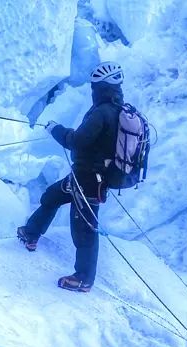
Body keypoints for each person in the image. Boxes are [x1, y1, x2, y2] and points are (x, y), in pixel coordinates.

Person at [17, 61, 125, 293]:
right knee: (52, 196)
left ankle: (84, 278)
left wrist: (55, 129)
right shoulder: (118, 110)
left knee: (84, 227)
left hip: (89, 181)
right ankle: (31, 233)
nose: (93, 91)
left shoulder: (102, 112)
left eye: (95, 87)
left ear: (101, 87)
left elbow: (76, 141)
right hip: (83, 176)